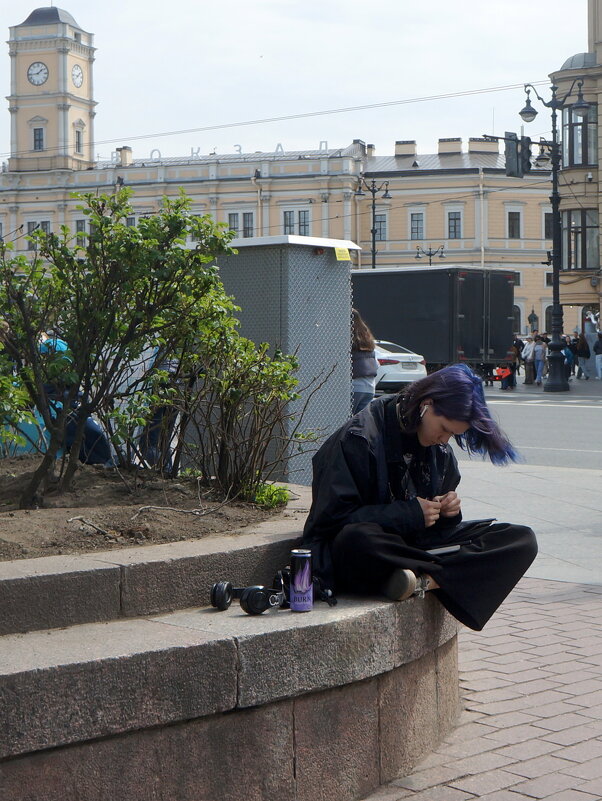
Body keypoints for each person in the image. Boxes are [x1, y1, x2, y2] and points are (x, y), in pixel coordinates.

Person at [302, 364, 537, 632]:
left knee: (522, 539)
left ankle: (423, 578)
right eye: (444, 428)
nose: (444, 440)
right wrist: (410, 513)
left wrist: (448, 512)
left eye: (452, 435)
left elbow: (437, 526)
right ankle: (436, 576)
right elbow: (329, 522)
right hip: (367, 548)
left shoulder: (439, 449)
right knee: (357, 539)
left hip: (414, 550)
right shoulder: (358, 438)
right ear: (426, 405)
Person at [351, 309, 378, 415]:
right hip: (369, 387)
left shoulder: (346, 338)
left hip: (353, 386)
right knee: (360, 423)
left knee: (344, 423)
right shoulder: (367, 338)